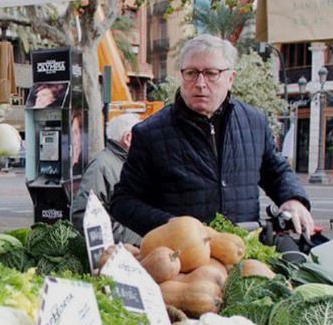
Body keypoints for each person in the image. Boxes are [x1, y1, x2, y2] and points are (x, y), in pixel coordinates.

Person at [111, 34, 312, 237]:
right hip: (182, 260)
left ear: (230, 78)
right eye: (191, 73)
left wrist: (293, 199)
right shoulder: (150, 134)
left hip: (243, 252)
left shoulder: (254, 122)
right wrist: (170, 225)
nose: (200, 83)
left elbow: (276, 171)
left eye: (211, 73)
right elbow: (123, 201)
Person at [70, 113, 142, 245]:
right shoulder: (101, 166)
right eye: (143, 138)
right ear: (128, 138)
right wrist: (135, 239)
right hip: (118, 253)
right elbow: (83, 215)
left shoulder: (124, 163)